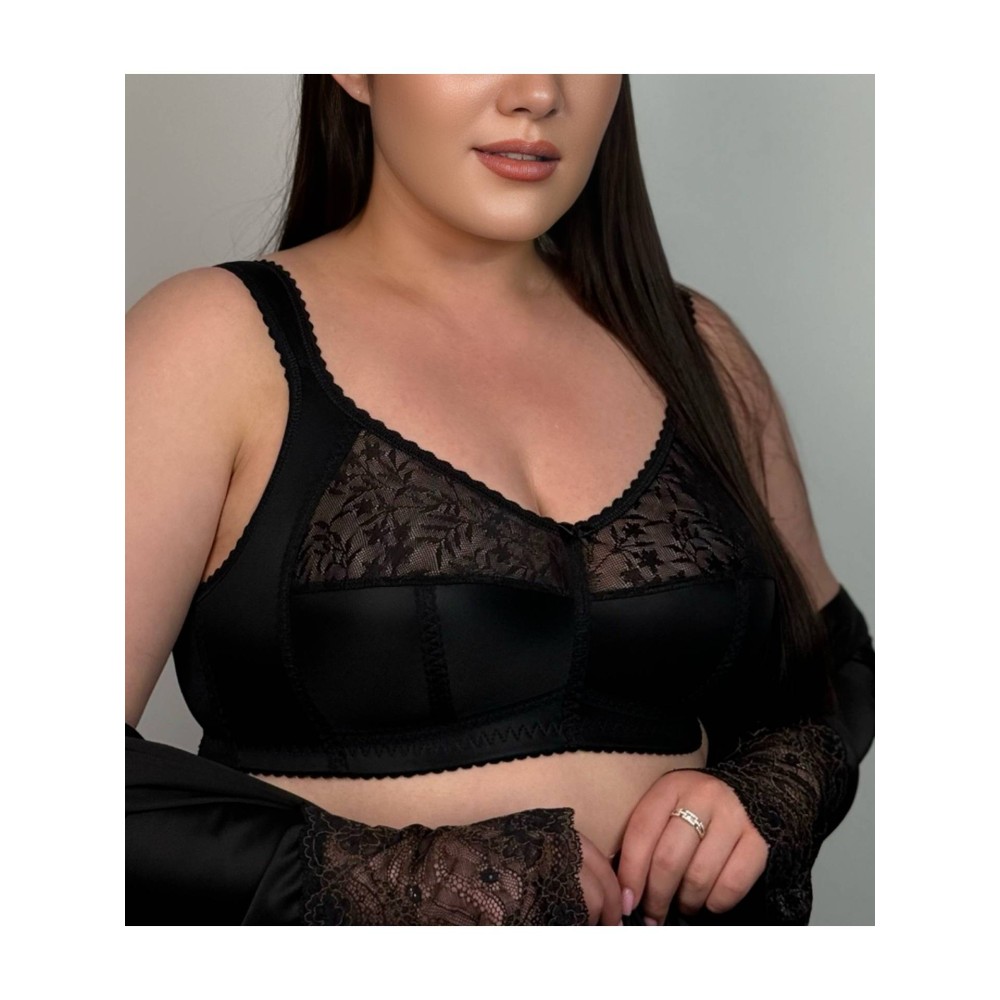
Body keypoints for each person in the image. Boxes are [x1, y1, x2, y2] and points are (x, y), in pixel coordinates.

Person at [125, 74, 874, 925]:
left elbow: (838, 664)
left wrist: (770, 791)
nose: (539, 91)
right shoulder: (215, 339)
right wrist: (417, 881)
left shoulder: (695, 346)